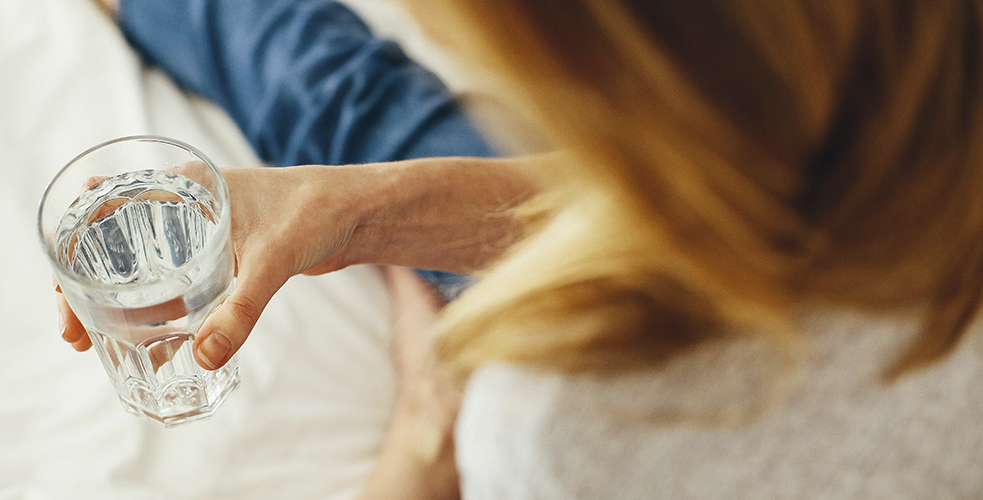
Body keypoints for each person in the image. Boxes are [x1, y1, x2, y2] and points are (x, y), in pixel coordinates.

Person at [62, 0, 983, 498]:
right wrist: (359, 210)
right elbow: (747, 193)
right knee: (359, 114)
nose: (429, 23)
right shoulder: (926, 65)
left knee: (353, 102)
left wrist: (423, 451)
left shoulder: (566, 426)